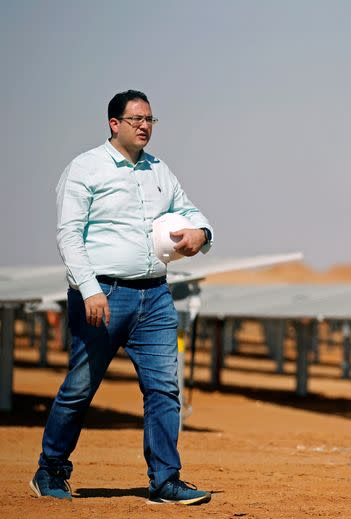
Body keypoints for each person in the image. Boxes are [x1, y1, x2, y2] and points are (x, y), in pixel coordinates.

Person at [30, 90, 214, 505]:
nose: (144, 126)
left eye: (150, 119)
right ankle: (51, 470)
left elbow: (189, 211)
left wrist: (202, 234)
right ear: (114, 124)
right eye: (136, 119)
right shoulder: (85, 168)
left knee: (164, 389)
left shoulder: (160, 171)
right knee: (81, 386)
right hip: (104, 295)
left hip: (155, 296)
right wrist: (90, 289)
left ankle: (165, 480)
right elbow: (69, 235)